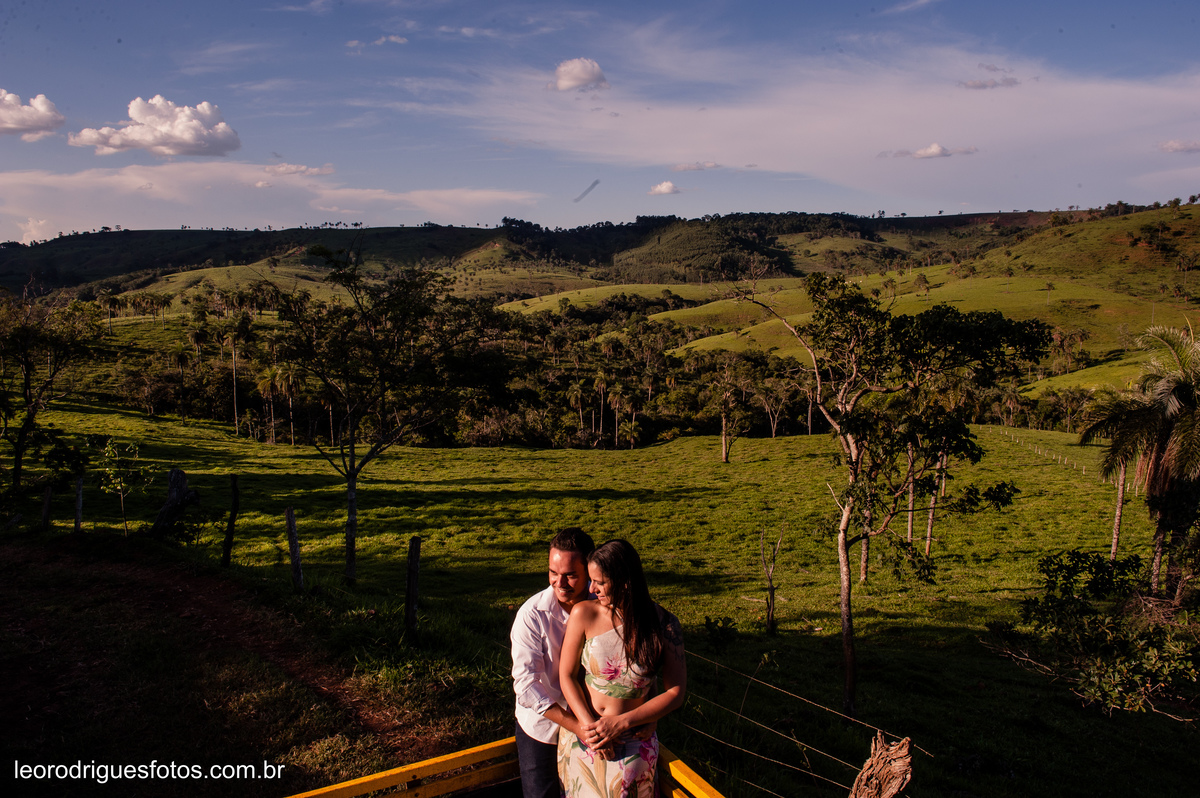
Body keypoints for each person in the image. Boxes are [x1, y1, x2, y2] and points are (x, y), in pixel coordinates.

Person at [557, 539, 686, 798]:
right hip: (587, 736)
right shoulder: (584, 614)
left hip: (635, 738)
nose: (591, 589)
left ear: (625, 582)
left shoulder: (664, 625)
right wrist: (590, 729)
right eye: (591, 580)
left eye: (599, 582)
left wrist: (624, 722)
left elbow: (676, 692)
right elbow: (567, 675)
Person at [511, 527, 596, 798]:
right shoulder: (531, 615)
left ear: (589, 571)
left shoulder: (604, 607)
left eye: (570, 575)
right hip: (542, 728)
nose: (559, 583)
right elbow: (526, 685)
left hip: (595, 724)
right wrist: (577, 727)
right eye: (553, 573)